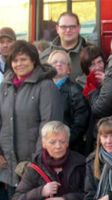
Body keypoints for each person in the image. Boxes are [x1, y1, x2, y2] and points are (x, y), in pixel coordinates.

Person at [0, 41, 64, 190]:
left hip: (35, 166)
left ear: (33, 60)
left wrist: (36, 161)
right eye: (15, 60)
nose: (19, 64)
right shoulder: (5, 87)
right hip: (8, 166)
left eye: (23, 59)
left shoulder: (46, 86)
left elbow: (50, 127)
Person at [47, 50, 90, 153]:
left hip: (68, 147)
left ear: (69, 69)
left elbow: (80, 122)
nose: (58, 64)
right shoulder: (42, 89)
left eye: (63, 62)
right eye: (55, 62)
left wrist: (63, 142)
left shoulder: (75, 90)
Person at [40, 12, 88, 82]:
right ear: (57, 29)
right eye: (64, 27)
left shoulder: (90, 54)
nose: (68, 30)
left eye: (72, 27)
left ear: (78, 28)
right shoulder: (44, 57)